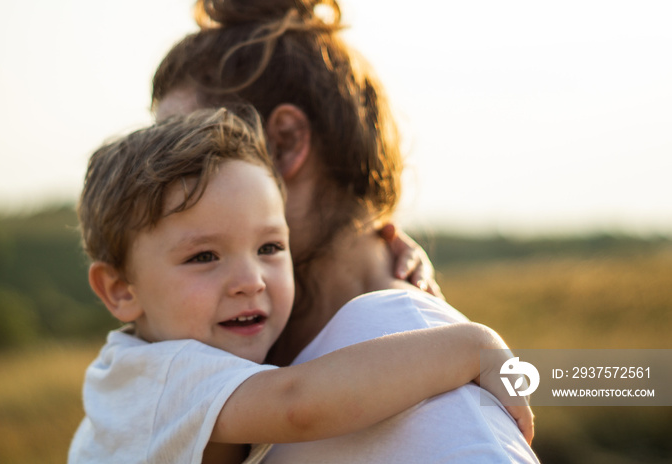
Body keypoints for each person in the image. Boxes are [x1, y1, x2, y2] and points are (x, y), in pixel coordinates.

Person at [151, 2, 540, 462]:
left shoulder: (449, 426)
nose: (158, 199)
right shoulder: (256, 374)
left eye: (186, 160)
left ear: (285, 144)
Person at [68, 108, 531, 464]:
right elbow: (299, 404)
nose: (250, 281)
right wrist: (475, 345)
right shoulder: (157, 376)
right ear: (120, 290)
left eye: (269, 247)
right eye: (204, 256)